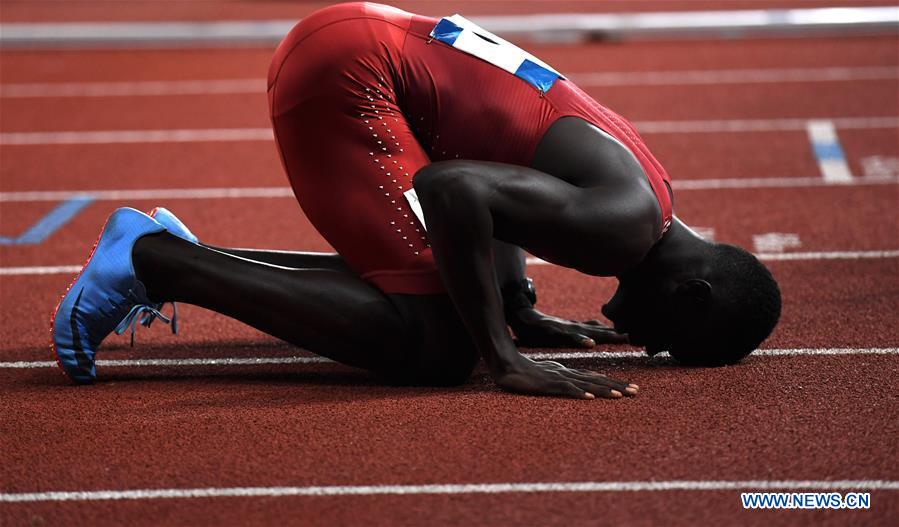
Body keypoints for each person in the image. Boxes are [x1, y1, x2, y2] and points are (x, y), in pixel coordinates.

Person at [52, 3, 781, 399]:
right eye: (667, 342)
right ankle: (156, 261)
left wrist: (514, 301)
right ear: (691, 292)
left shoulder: (652, 197)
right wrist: (503, 355)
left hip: (364, 42)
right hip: (352, 74)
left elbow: (498, 166)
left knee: (455, 303)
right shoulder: (624, 230)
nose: (648, 347)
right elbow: (451, 186)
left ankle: (182, 255)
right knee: (439, 345)